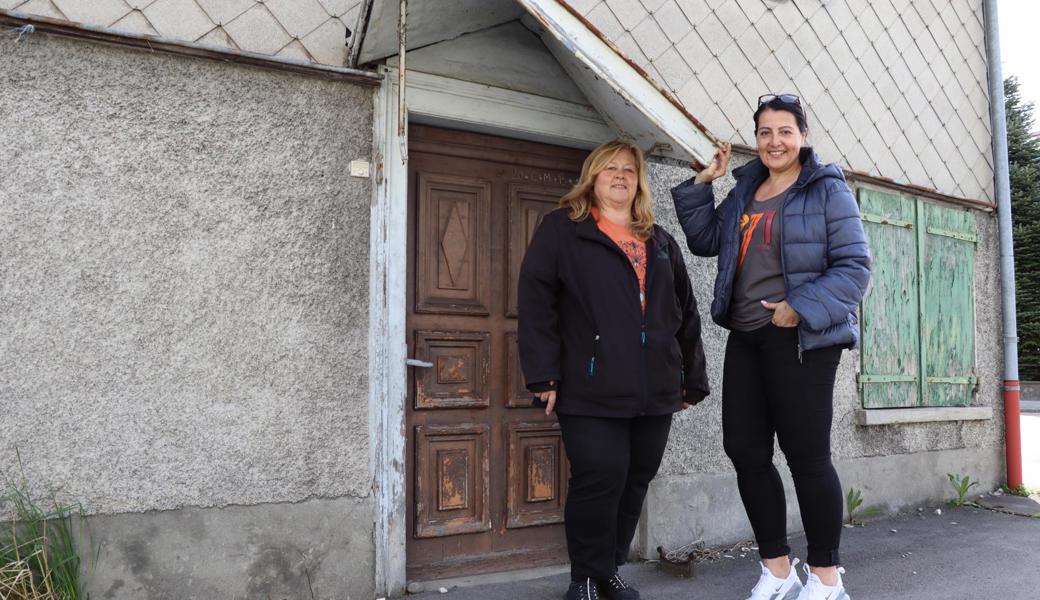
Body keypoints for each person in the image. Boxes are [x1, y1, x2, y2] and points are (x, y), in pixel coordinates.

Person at [671, 94, 871, 600]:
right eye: (764, 133)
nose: (774, 141)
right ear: (756, 139)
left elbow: (855, 269)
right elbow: (705, 239)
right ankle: (778, 569)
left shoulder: (828, 191)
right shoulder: (745, 189)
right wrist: (703, 182)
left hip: (802, 338)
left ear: (802, 136)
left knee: (807, 456)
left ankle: (827, 579)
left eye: (784, 131)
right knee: (745, 450)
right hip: (747, 336)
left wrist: (797, 307)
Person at [518, 140, 710, 600]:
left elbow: (685, 314)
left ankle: (608, 571)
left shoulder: (660, 240)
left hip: (655, 388)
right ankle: (583, 577)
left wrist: (693, 379)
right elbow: (536, 302)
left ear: (639, 181)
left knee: (634, 480)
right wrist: (543, 375)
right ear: (593, 176)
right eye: (610, 168)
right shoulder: (564, 230)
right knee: (599, 477)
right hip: (590, 385)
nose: (620, 176)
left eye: (629, 169)